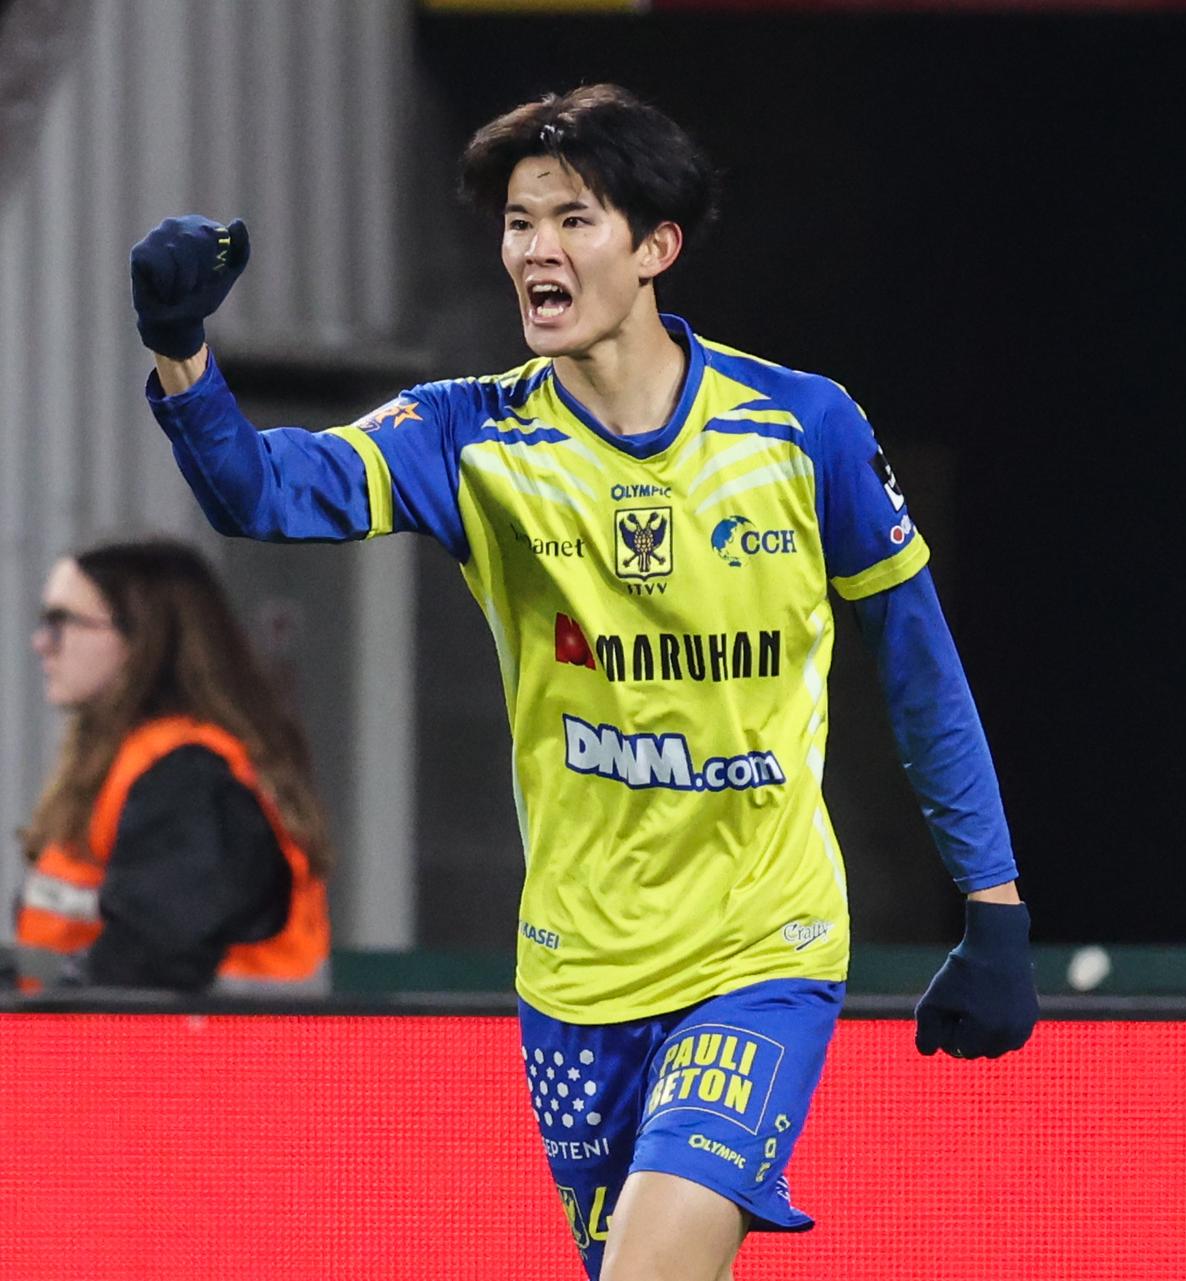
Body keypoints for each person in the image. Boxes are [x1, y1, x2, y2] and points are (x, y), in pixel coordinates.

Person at [128, 84, 1036, 1281]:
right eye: (519, 222)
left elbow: (920, 668)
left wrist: (993, 902)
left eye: (573, 219)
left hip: (760, 950)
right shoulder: (466, 437)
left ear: (656, 247)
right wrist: (180, 348)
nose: (535, 250)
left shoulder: (800, 427)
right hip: (574, 972)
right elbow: (259, 492)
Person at [14, 540, 330, 994]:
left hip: (214, 1041)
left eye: (62, 623)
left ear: (143, 638)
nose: (42, 644)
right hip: (103, 1036)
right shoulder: (133, 762)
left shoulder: (190, 779)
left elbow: (149, 962)